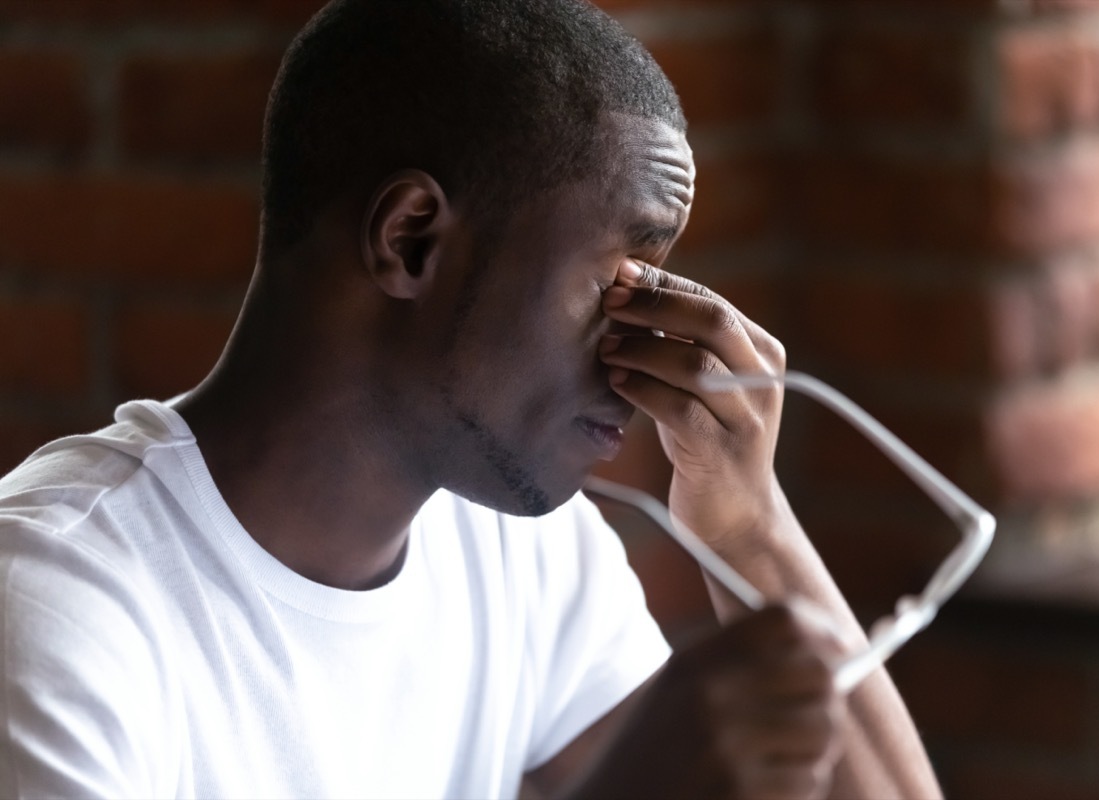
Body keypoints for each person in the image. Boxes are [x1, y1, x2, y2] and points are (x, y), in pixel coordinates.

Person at [0, 1, 941, 797]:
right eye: (623, 280)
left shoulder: (519, 551)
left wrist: (749, 529)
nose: (637, 354)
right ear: (411, 239)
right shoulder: (57, 609)